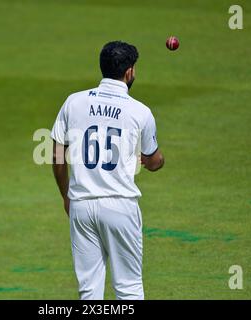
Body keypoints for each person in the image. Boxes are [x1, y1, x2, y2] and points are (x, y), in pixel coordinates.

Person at [51, 40, 164, 300]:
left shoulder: (73, 102)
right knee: (129, 289)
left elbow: (57, 155)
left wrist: (66, 196)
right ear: (129, 72)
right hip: (120, 205)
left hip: (81, 206)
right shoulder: (140, 111)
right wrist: (157, 161)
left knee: (89, 292)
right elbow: (153, 160)